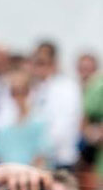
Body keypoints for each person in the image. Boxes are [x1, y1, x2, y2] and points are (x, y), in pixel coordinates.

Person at [28, 41, 81, 170]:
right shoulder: (33, 88)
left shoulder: (67, 87)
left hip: (59, 159)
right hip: (34, 159)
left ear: (53, 63)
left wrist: (43, 150)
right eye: (35, 63)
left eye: (41, 63)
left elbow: (64, 124)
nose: (37, 68)